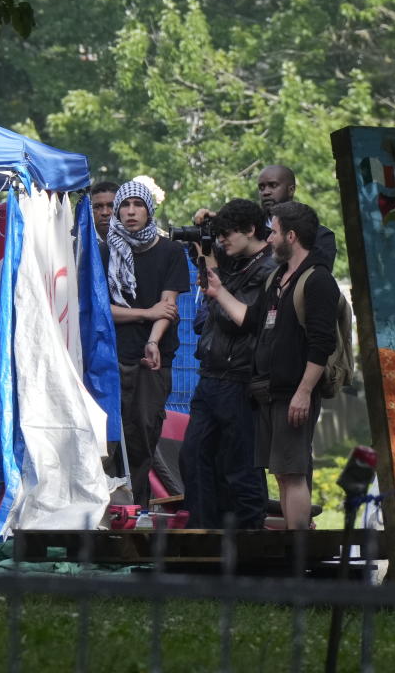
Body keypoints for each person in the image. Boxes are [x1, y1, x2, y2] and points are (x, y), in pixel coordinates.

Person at [204, 201, 338, 530]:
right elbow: (251, 319)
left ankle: (299, 555)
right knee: (281, 472)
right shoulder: (277, 277)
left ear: (291, 236)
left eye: (274, 232)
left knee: (293, 474)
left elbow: (322, 344)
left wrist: (304, 392)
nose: (270, 237)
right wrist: (219, 292)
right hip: (269, 391)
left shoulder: (317, 279)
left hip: (294, 392)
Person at [180, 199, 276, 529]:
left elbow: (244, 319)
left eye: (226, 234)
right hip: (211, 374)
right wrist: (207, 231)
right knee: (193, 457)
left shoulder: (268, 268)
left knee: (240, 467)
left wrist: (217, 288)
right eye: (218, 236)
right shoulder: (236, 260)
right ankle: (204, 539)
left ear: (250, 230)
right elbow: (211, 266)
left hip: (240, 378)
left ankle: (249, 547)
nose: (221, 242)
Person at [105, 180, 190, 507]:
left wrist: (153, 340)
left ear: (149, 209)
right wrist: (145, 312)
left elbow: (167, 308)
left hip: (152, 360)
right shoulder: (105, 250)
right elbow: (103, 311)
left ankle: (135, 508)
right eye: (124, 206)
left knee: (143, 435)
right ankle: (109, 508)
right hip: (111, 357)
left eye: (137, 205)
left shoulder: (169, 252)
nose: (130, 212)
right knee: (111, 439)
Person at [256, 165, 337, 266]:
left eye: (273, 185)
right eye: (261, 188)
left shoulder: (320, 235)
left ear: (291, 190)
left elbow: (317, 273)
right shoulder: (250, 233)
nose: (266, 192)